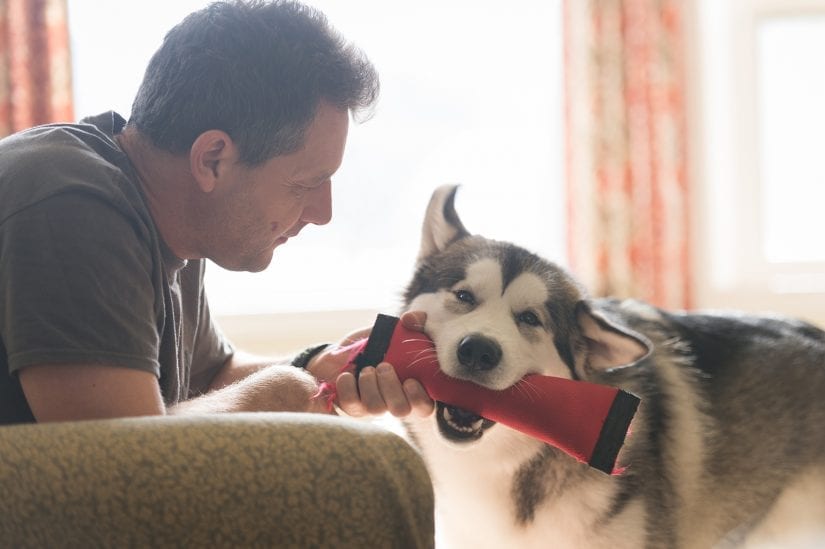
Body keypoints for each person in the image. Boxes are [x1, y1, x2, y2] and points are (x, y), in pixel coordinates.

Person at [0, 0, 434, 545]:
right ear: (212, 159)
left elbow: (210, 375)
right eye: (305, 184)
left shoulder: (166, 217)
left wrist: (321, 369)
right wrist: (286, 391)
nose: (322, 213)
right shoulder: (70, 203)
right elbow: (125, 484)